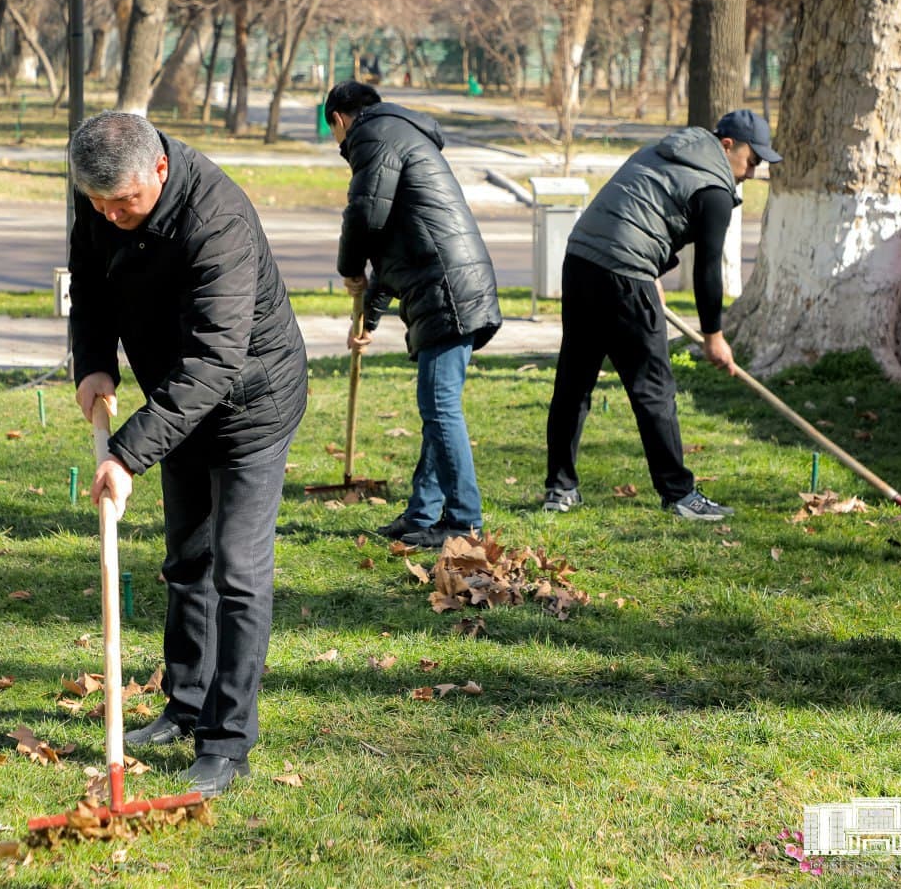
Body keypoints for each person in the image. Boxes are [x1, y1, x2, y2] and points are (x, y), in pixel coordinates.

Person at [67, 111, 308, 798]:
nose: (111, 216)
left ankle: (227, 744)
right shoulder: (98, 190)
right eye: (99, 204)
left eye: (126, 204)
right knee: (186, 561)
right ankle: (185, 704)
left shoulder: (218, 219)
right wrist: (93, 363)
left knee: (236, 571)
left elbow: (216, 358)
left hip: (249, 404)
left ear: (160, 172)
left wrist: (128, 452)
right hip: (179, 401)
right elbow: (89, 282)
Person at [544, 109, 782, 521]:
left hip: (581, 259)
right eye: (753, 160)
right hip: (623, 274)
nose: (753, 171)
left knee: (574, 380)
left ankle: (560, 489)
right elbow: (708, 270)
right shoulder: (715, 189)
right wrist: (713, 336)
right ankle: (679, 495)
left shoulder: (659, 152)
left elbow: (637, 210)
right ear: (728, 146)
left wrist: (650, 270)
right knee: (652, 386)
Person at [324, 81, 502, 549]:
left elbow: (364, 217)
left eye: (333, 133)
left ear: (339, 120)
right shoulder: (400, 134)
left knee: (439, 406)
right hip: (450, 285)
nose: (337, 144)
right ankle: (423, 513)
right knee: (436, 407)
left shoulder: (373, 136)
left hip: (448, 289)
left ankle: (463, 521)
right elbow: (390, 248)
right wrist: (368, 319)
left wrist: (348, 270)